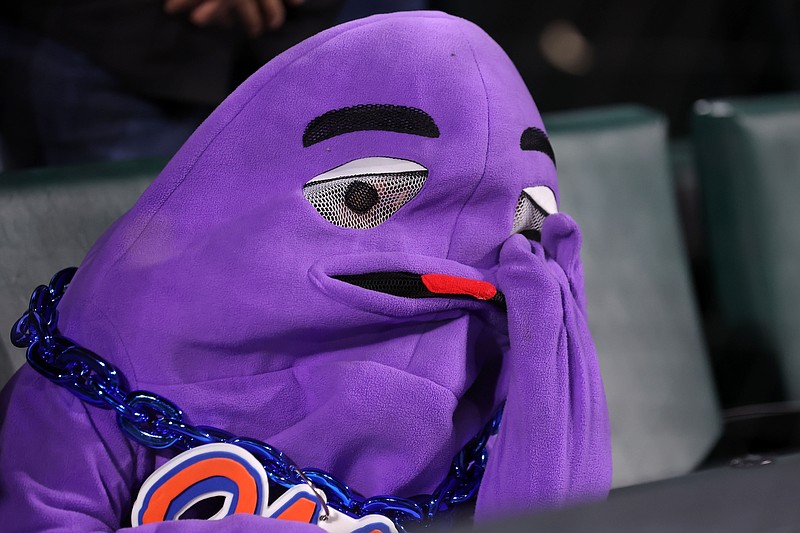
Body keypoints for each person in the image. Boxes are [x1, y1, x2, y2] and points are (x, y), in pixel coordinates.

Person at [0, 11, 612, 531]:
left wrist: (546, 351)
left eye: (526, 217)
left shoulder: (497, 355)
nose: (455, 260)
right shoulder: (103, 375)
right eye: (367, 198)